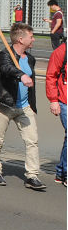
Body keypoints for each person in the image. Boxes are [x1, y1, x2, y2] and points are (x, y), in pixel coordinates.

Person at [0, 23, 45, 190]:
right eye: (31, 36)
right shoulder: (5, 55)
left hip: (24, 107)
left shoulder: (31, 58)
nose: (33, 39)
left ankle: (32, 176)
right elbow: (7, 69)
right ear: (21, 39)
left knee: (32, 141)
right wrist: (21, 76)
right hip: (5, 105)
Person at [46, 42, 66, 187]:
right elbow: (51, 76)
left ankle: (61, 172)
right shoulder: (62, 51)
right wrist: (53, 100)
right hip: (64, 101)